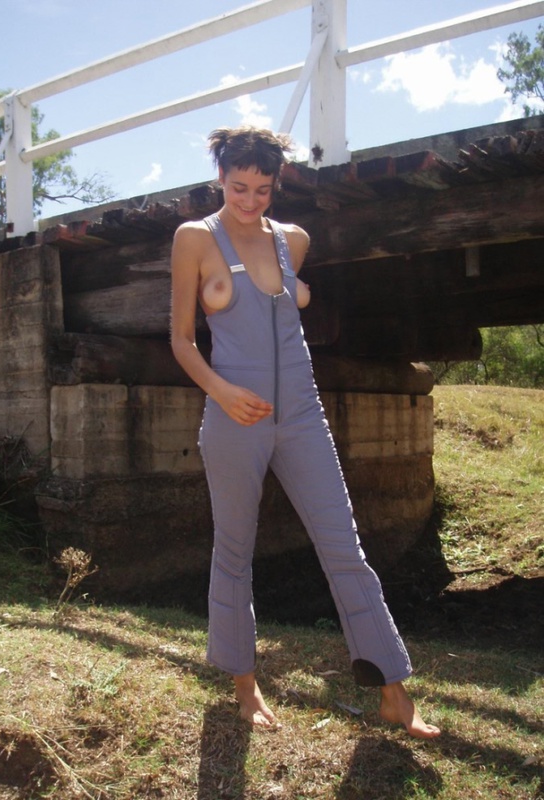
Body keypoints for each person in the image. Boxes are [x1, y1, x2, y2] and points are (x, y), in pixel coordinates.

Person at [170, 126, 440, 739]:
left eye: (262, 189)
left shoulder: (293, 240)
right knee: (234, 551)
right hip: (234, 419)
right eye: (239, 187)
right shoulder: (194, 239)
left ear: (275, 185)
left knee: (344, 547)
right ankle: (245, 686)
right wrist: (221, 391)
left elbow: (284, 301)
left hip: (301, 415)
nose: (250, 200)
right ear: (221, 179)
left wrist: (299, 292)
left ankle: (394, 692)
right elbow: (181, 340)